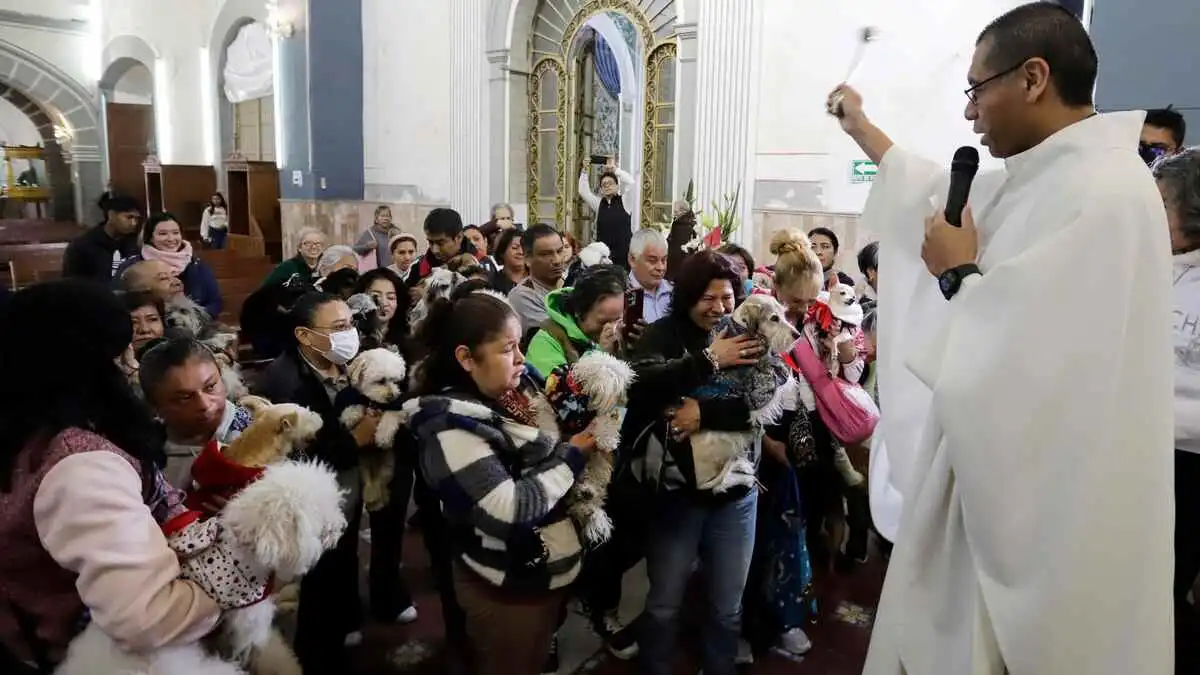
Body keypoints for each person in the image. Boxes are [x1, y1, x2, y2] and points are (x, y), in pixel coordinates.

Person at [829, 4, 1173, 673]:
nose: (969, 113)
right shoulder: (1052, 174)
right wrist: (860, 126)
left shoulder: (1101, 194)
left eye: (976, 90)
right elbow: (933, 194)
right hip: (990, 484)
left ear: (1034, 77)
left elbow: (1033, 368)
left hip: (1039, 510)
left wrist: (958, 272)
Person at [0, 280, 220, 671]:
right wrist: (238, 577)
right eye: (122, 358)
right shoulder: (79, 465)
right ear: (88, 368)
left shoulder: (29, 427)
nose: (133, 369)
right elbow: (147, 617)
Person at [404, 289, 596, 675]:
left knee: (534, 655)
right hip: (506, 583)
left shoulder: (510, 394)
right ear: (465, 358)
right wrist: (572, 456)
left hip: (539, 569)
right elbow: (508, 509)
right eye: (508, 349)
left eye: (519, 345)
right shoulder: (450, 426)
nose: (521, 359)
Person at [621, 250, 767, 675]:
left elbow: (762, 406)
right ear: (686, 295)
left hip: (737, 492)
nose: (720, 308)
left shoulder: (744, 335)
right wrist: (708, 361)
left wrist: (703, 414)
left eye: (727, 298)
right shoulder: (662, 335)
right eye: (709, 298)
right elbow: (642, 389)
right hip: (676, 493)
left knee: (727, 605)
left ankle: (718, 666)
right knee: (665, 600)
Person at [255, 292, 375, 673]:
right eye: (338, 328)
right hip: (311, 495)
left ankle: (345, 623)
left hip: (348, 484)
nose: (350, 334)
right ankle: (319, 655)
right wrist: (355, 441)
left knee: (344, 557)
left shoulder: (347, 364)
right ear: (305, 336)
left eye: (351, 324)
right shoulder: (286, 384)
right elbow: (293, 454)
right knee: (318, 580)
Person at [1154, 147, 1200, 673]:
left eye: (1161, 203)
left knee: (1161, 588)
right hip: (1133, 449)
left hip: (1187, 464)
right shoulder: (1147, 264)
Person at [138, 338, 253, 489]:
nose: (204, 405)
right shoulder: (143, 458)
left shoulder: (262, 431)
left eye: (210, 387)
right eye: (184, 398)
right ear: (155, 406)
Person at [525, 265, 626, 377]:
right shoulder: (545, 343)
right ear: (578, 310)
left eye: (618, 321)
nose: (612, 329)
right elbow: (558, 391)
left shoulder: (621, 335)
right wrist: (601, 356)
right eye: (603, 322)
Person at [117, 213, 222, 319]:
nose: (171, 239)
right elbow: (120, 301)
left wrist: (191, 319)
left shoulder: (196, 264)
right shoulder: (132, 266)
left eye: (176, 233)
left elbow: (214, 302)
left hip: (196, 325)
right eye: (163, 234)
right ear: (150, 238)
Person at [62, 194, 141, 282]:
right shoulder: (84, 245)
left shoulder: (134, 243)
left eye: (137, 219)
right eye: (129, 217)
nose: (134, 223)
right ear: (111, 215)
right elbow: (70, 282)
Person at [508, 223, 568, 335]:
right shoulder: (522, 296)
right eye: (546, 254)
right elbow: (559, 335)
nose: (557, 260)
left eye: (559, 251)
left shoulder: (572, 284)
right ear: (527, 259)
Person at [578, 158, 637, 269]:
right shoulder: (599, 203)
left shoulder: (625, 201)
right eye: (604, 184)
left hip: (624, 256)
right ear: (601, 189)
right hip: (604, 257)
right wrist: (584, 171)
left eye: (610, 183)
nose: (607, 186)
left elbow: (632, 184)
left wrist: (616, 171)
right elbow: (583, 191)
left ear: (617, 186)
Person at [628, 229, 672, 323]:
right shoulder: (622, 295)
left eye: (664, 260)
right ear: (632, 260)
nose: (660, 267)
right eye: (652, 260)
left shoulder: (674, 292)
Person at [262, 227, 327, 288]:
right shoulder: (286, 268)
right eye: (308, 243)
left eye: (318, 243)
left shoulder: (326, 267)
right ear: (299, 248)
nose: (314, 247)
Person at [354, 205, 397, 269]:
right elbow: (355, 250)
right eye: (382, 216)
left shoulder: (396, 233)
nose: (385, 218)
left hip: (395, 271)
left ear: (391, 218)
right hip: (377, 272)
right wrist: (367, 246)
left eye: (388, 216)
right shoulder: (370, 233)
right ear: (376, 219)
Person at [490, 228, 527, 295]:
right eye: (515, 248)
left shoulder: (538, 279)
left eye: (524, 247)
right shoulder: (492, 283)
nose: (521, 252)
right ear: (502, 252)